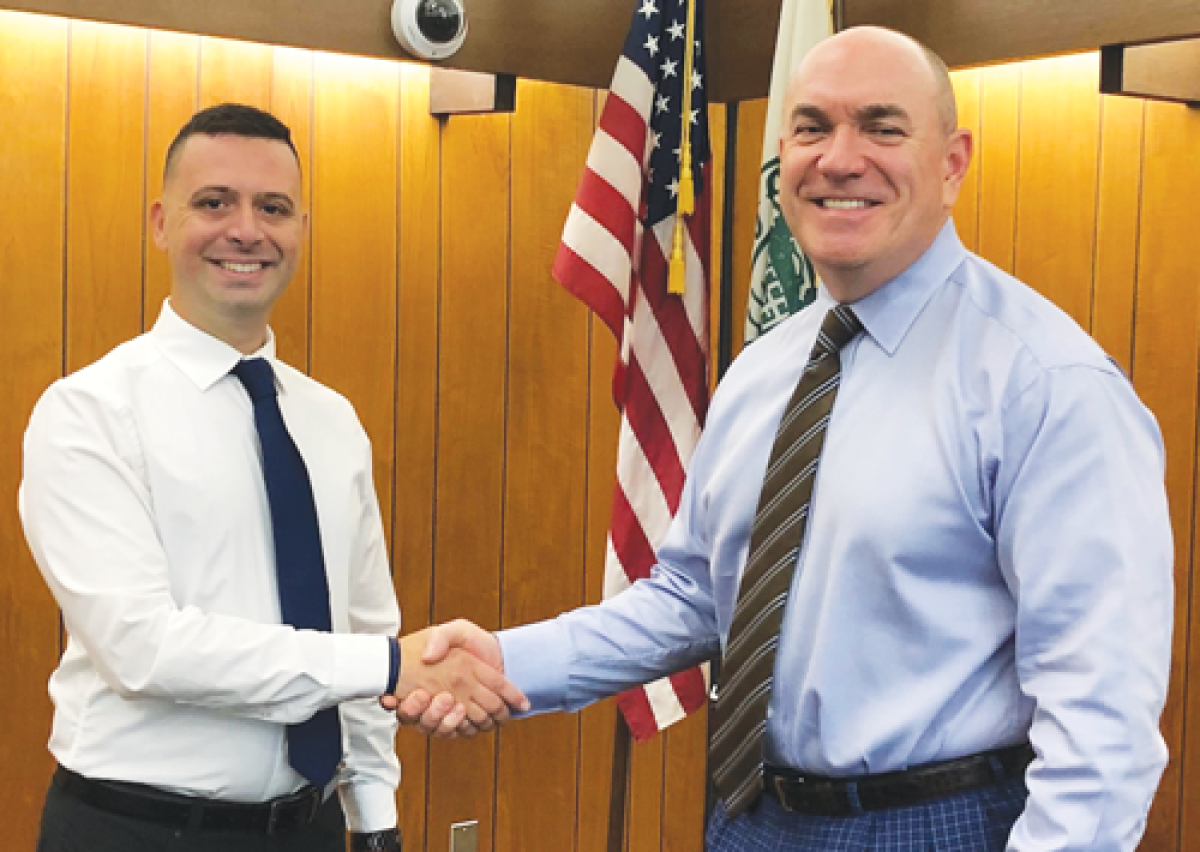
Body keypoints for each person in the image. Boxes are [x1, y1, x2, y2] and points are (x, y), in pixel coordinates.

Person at [399, 26, 1173, 852]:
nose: (840, 159)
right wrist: (502, 664)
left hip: (937, 827)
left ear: (953, 163)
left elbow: (1102, 715)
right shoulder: (765, 370)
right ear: (783, 156)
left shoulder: (1045, 384)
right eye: (812, 127)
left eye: (882, 126)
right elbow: (693, 597)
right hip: (749, 820)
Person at [20, 103, 526, 852]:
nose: (247, 230)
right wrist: (393, 663)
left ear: (301, 229)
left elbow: (360, 624)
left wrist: (375, 815)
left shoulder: (330, 421)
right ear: (161, 222)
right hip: (139, 830)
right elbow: (144, 648)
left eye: (274, 208)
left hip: (310, 828)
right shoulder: (88, 412)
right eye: (215, 202)